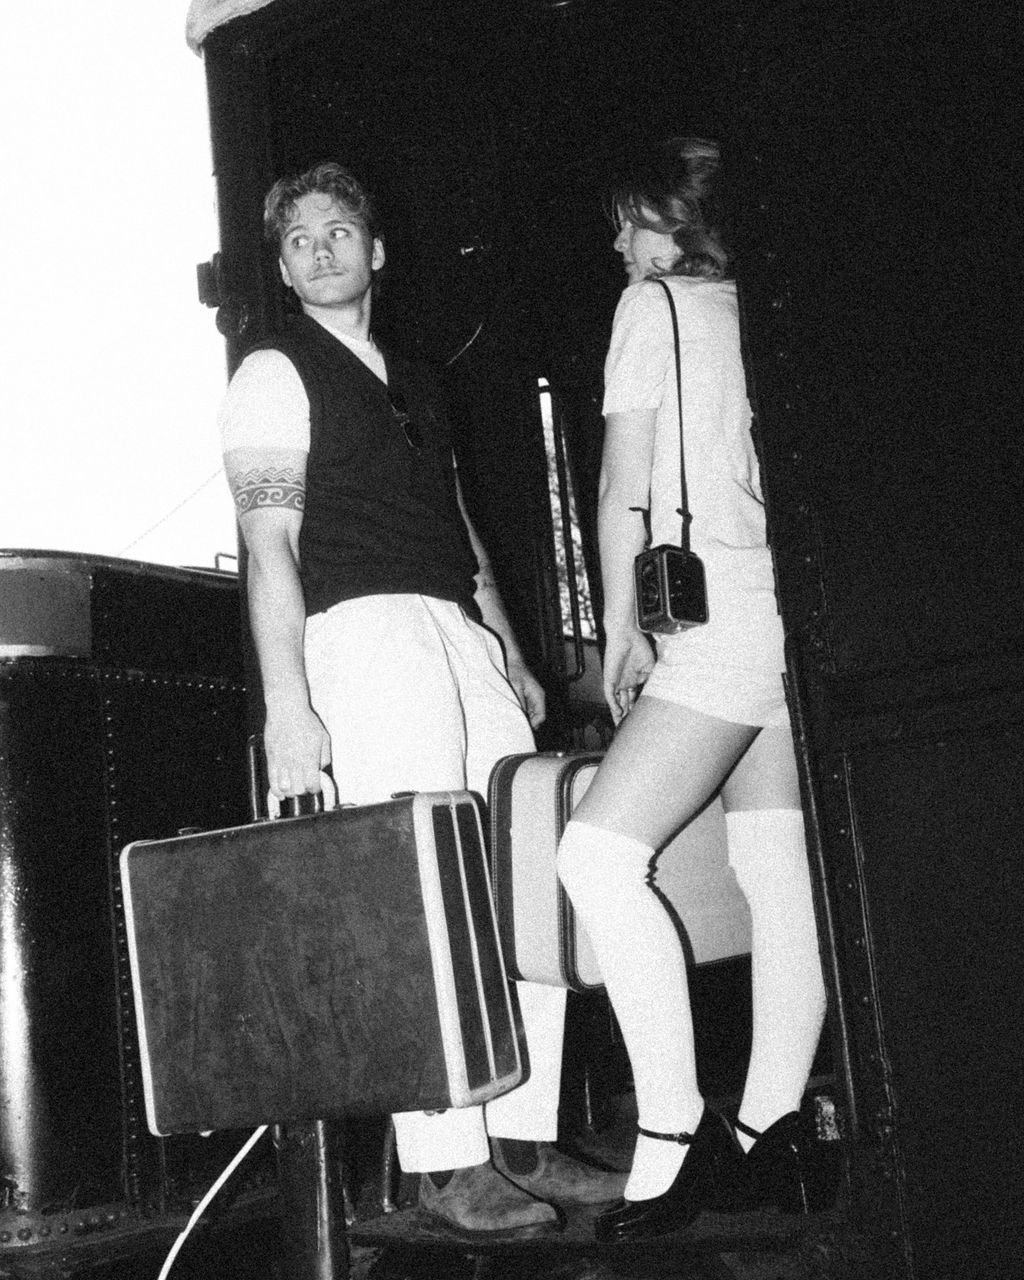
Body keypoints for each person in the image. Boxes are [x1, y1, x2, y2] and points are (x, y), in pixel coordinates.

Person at [219, 161, 625, 1239]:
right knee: (422, 888)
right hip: (361, 630)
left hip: (455, 629)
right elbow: (269, 544)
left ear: (376, 249)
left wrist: (506, 648)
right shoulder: (273, 370)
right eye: (298, 239)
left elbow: (457, 522)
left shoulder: (416, 377)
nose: (319, 250)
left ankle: (526, 1135)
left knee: (520, 875)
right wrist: (288, 705)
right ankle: (447, 1158)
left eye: (338, 231)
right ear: (283, 266)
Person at [555, 137, 828, 1242]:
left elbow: (622, 481)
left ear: (676, 222)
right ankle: (772, 1135)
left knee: (593, 856)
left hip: (712, 618)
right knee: (777, 875)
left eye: (634, 221)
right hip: (785, 608)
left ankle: (674, 1134)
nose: (621, 245)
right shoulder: (759, 309)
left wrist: (619, 626)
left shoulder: (652, 307)